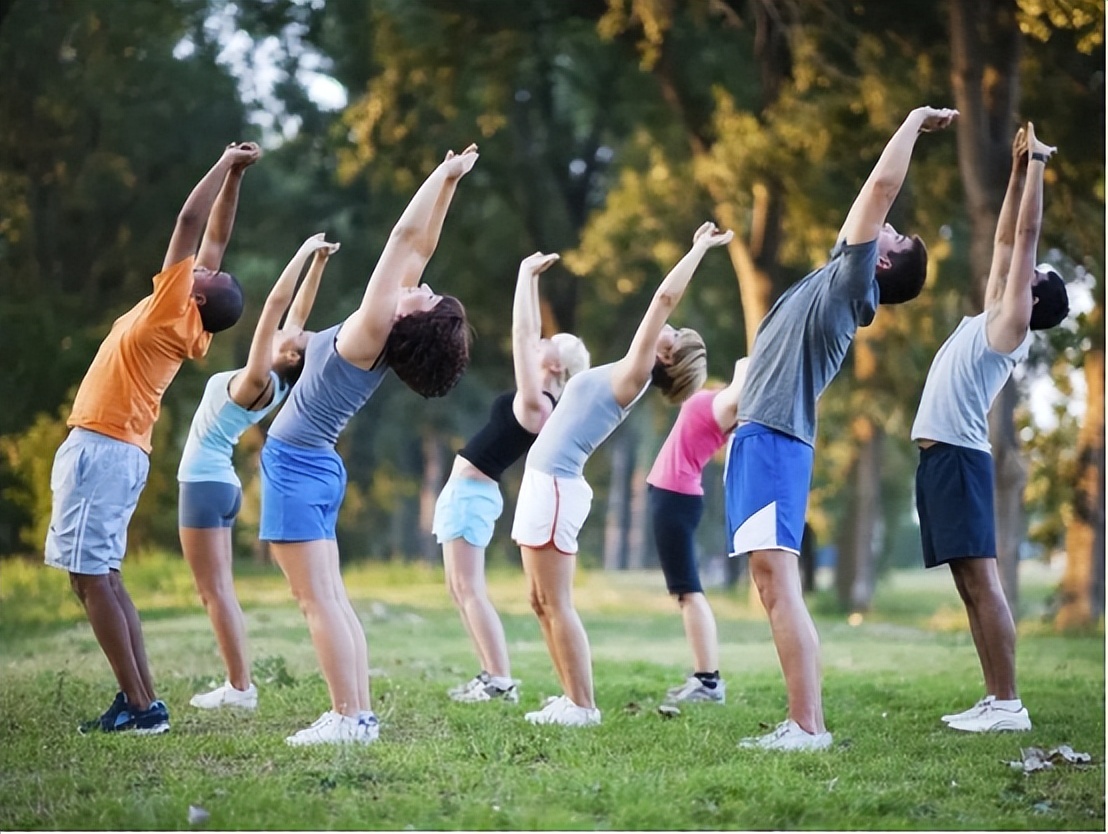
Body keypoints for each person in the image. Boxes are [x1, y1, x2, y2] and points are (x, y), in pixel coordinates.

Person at [725, 106, 958, 752]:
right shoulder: (840, 270)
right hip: (758, 436)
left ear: (881, 265)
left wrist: (912, 123)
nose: (886, 228)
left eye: (894, 236)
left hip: (775, 438)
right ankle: (801, 722)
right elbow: (870, 207)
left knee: (780, 583)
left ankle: (808, 728)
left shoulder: (854, 285)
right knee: (769, 585)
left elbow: (879, 192)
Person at [261, 144, 478, 746]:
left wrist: (441, 171)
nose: (424, 285)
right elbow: (422, 245)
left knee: (317, 602)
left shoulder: (372, 327)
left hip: (296, 467)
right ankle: (358, 716)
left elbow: (404, 237)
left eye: (427, 297)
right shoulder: (383, 333)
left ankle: (347, 718)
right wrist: (450, 184)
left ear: (412, 320)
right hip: (315, 466)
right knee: (330, 596)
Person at [45, 141, 261, 735]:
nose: (202, 263)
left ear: (195, 293)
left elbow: (191, 223)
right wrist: (237, 177)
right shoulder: (189, 316)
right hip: (115, 449)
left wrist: (219, 161)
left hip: (105, 447)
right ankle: (138, 699)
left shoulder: (172, 308)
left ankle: (142, 709)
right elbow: (214, 239)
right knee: (102, 577)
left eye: (203, 274)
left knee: (91, 580)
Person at [512, 221, 732, 727]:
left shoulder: (633, 376)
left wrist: (697, 248)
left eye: (674, 334)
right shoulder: (621, 372)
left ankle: (583, 707)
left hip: (556, 487)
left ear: (668, 354)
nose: (667, 328)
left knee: (556, 602)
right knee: (538, 600)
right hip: (544, 483)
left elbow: (663, 299)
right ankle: (570, 696)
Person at [913, 123, 1066, 733]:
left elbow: (1026, 234)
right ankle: (994, 698)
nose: (1020, 269)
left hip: (960, 459)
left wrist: (1039, 168)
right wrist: (1014, 165)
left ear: (1035, 297)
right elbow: (1008, 238)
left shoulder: (1011, 327)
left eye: (1031, 274)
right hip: (942, 459)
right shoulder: (991, 313)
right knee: (968, 585)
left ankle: (1009, 704)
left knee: (983, 580)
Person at [179, 233, 340, 711]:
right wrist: (318, 264)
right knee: (219, 591)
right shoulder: (278, 381)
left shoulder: (256, 380)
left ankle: (240, 687)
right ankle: (238, 684)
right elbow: (296, 316)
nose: (290, 331)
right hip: (218, 483)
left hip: (204, 484)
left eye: (292, 339)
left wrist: (299, 249)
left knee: (214, 594)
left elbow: (275, 307)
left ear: (290, 356)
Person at [437, 252, 590, 704]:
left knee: (469, 589)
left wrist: (525, 276)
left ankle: (500, 680)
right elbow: (527, 340)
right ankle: (489, 675)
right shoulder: (542, 401)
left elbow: (522, 334)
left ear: (556, 366)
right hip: (467, 492)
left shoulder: (538, 404)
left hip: (473, 493)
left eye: (551, 342)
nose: (540, 342)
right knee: (458, 589)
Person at [650, 357, 749, 705]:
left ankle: (708, 681)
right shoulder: (723, 400)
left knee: (689, 590)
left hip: (676, 497)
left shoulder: (727, 405)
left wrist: (751, 359)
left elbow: (749, 368)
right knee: (685, 591)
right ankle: (703, 677)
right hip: (673, 496)